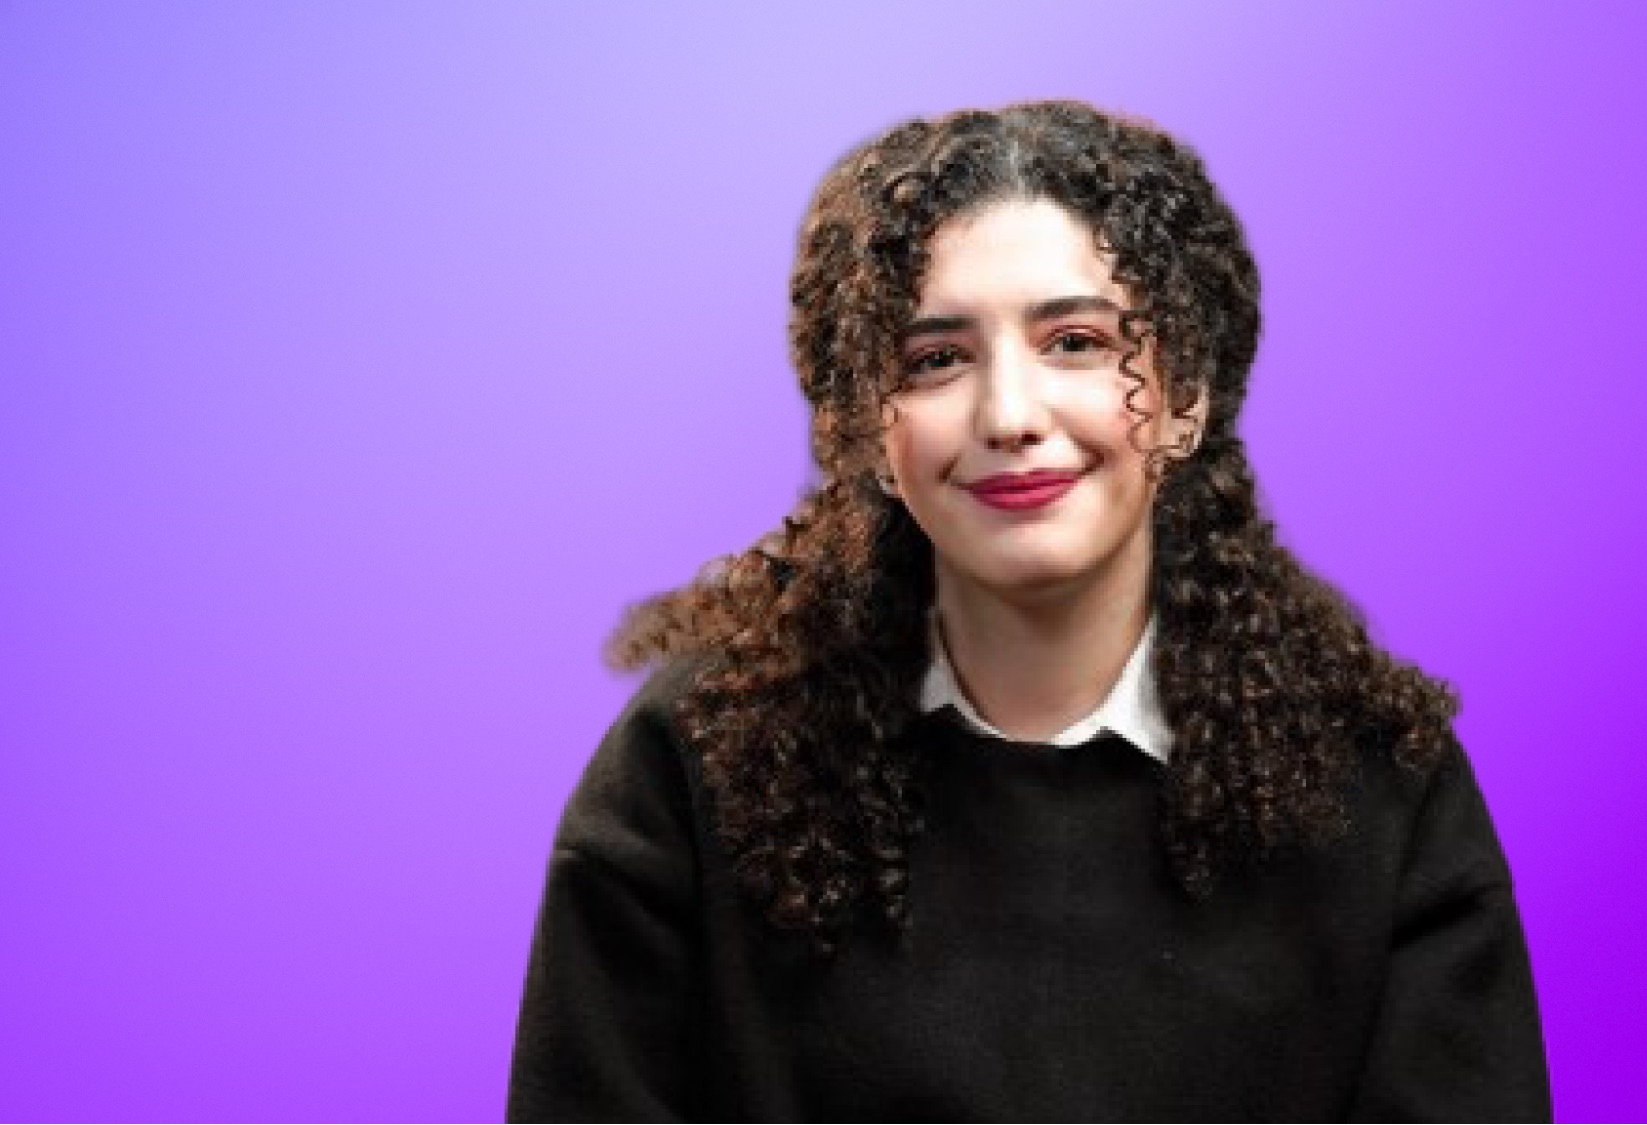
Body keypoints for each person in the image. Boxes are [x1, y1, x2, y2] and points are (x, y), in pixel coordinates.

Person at [505, 99, 1552, 1122]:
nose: (1009, 414)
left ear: (1186, 396)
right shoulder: (693, 765)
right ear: (867, 433)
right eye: (936, 360)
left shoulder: (1381, 782)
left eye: (1077, 342)